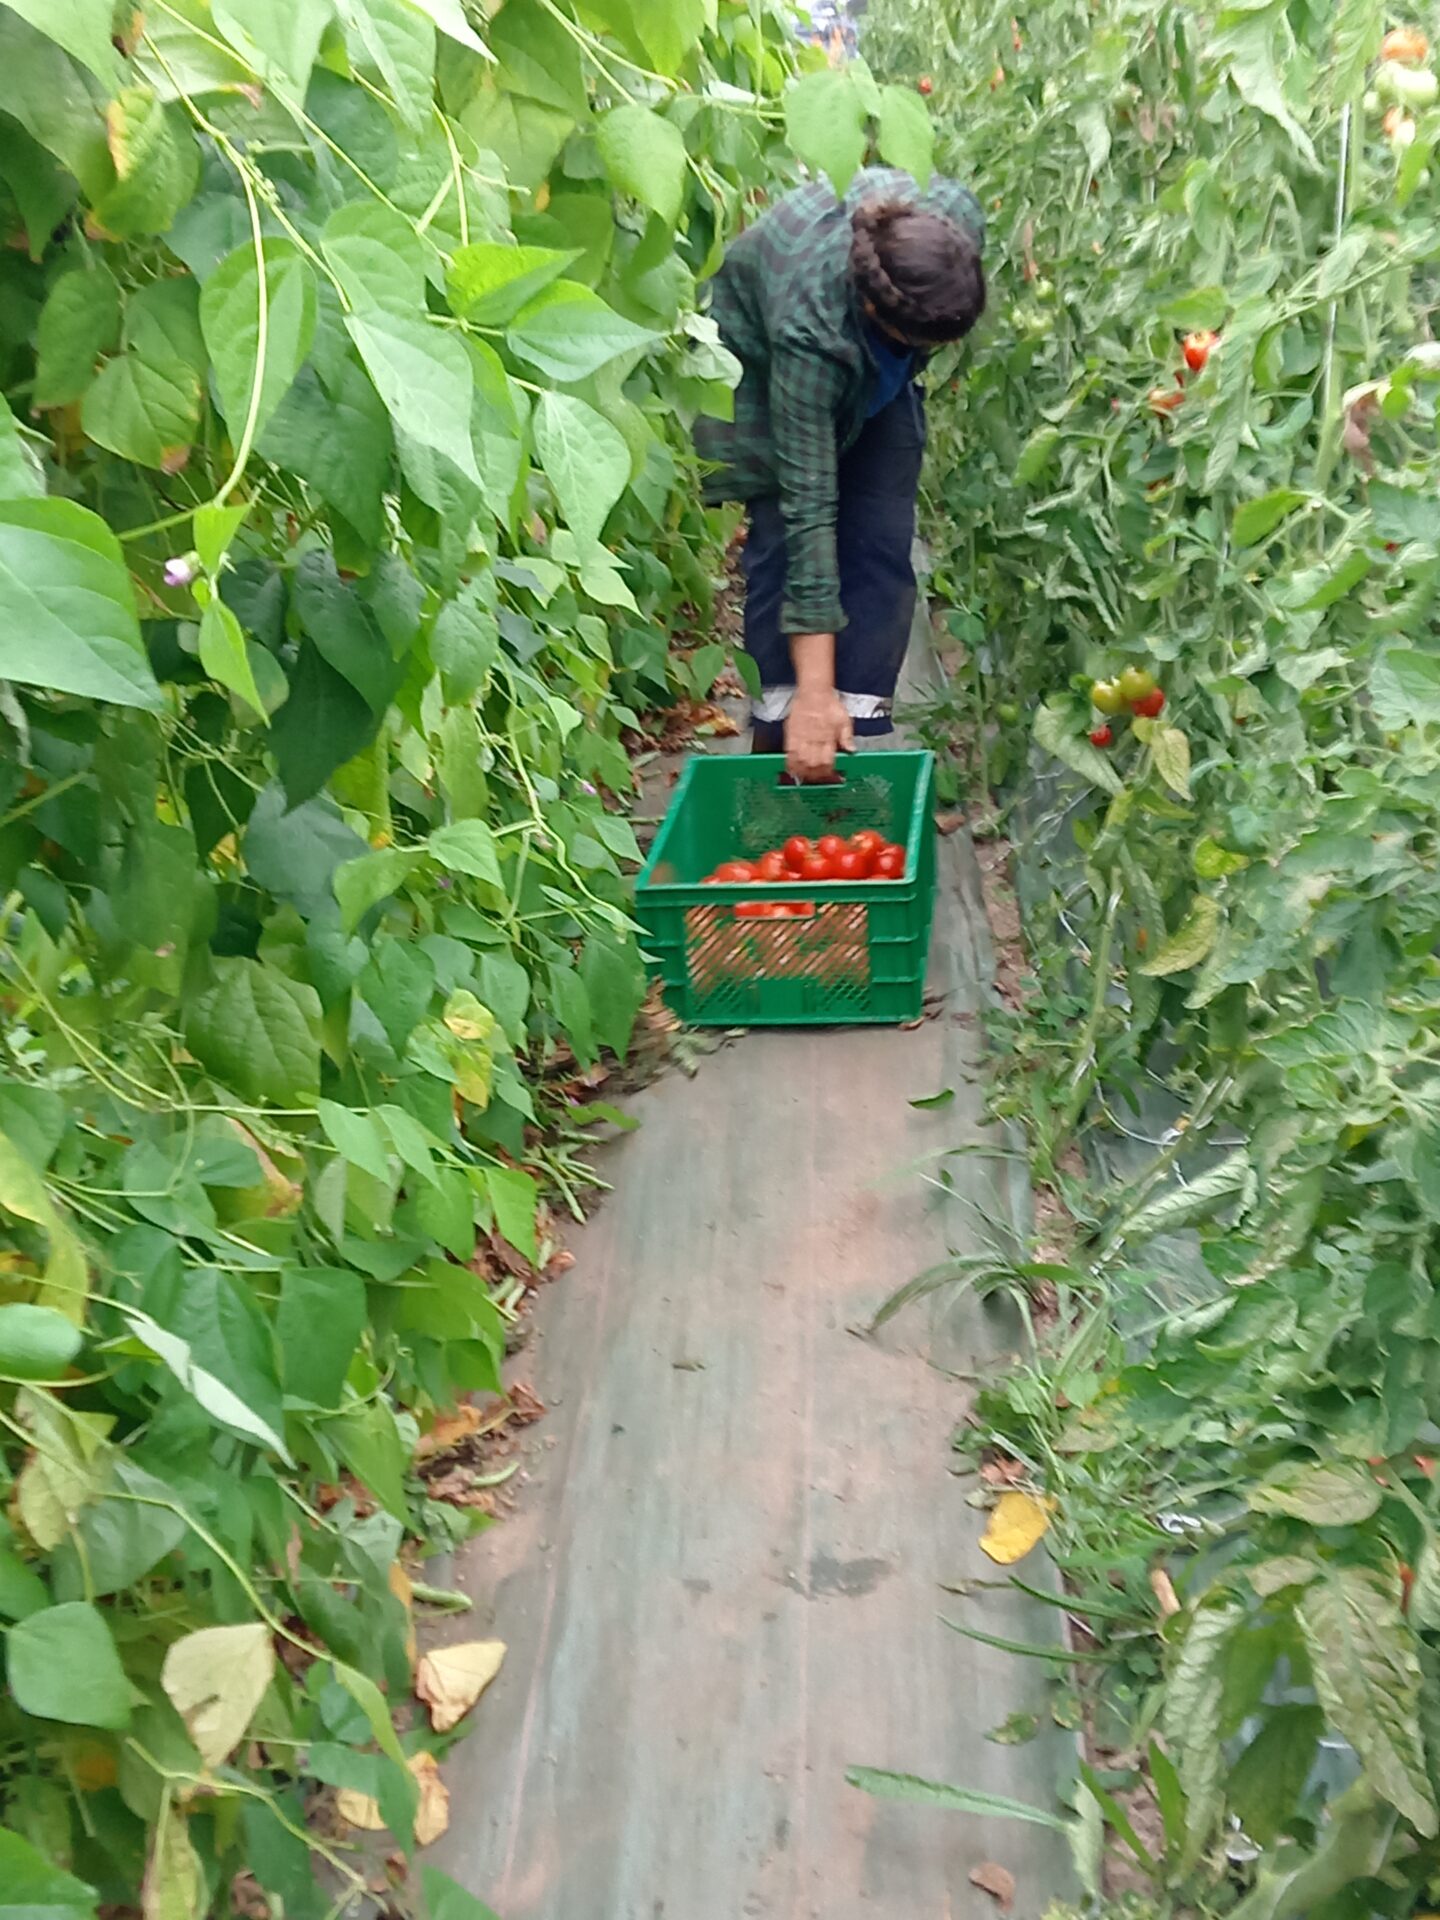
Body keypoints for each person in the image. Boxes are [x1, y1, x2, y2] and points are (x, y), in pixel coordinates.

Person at [696, 167, 986, 782]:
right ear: (875, 310)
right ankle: (785, 732)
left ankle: (847, 736)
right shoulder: (810, 329)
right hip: (765, 359)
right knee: (782, 533)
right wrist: (813, 689)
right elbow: (811, 512)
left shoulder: (953, 224)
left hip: (878, 365)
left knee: (881, 537)